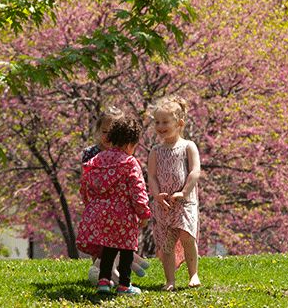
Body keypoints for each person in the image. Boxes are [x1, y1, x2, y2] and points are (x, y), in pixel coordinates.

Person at [76, 116, 151, 296]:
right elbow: (138, 189)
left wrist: (91, 206)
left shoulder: (98, 159)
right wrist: (144, 213)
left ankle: (103, 281)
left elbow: (85, 184)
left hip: (100, 213)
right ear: (129, 144)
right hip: (123, 215)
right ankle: (124, 285)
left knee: (108, 248)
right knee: (126, 250)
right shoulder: (130, 162)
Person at [146, 95, 202, 291]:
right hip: (165, 205)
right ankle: (170, 280)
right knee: (166, 245)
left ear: (179, 123)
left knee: (188, 238)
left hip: (185, 202)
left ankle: (193, 274)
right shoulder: (155, 150)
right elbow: (151, 175)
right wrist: (156, 194)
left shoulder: (188, 146)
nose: (160, 126)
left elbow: (195, 171)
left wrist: (184, 192)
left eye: (165, 122)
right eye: (157, 122)